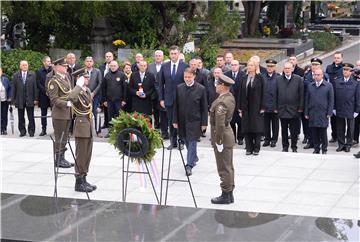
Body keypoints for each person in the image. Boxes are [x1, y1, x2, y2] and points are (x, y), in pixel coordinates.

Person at [173, 68, 208, 176]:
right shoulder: (179, 88)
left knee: (192, 142)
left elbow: (204, 107)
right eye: (185, 77)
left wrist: (204, 123)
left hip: (195, 121)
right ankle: (194, 157)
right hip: (182, 120)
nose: (187, 79)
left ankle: (189, 165)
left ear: (194, 77)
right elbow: (176, 106)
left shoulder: (201, 89)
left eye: (189, 77)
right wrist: (175, 120)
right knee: (186, 140)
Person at [68, 70, 96, 193]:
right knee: (81, 155)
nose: (87, 80)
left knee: (87, 154)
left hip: (88, 125)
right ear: (79, 78)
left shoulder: (87, 90)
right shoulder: (77, 91)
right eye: (85, 78)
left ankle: (84, 178)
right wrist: (78, 85)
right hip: (81, 125)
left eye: (88, 78)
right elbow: (71, 98)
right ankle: (78, 182)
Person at [210, 74, 236, 204]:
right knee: (228, 166)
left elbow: (219, 124)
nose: (216, 86)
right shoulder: (229, 97)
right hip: (227, 134)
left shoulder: (222, 102)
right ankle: (229, 194)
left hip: (222, 137)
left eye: (217, 84)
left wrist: (218, 141)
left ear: (222, 86)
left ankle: (226, 194)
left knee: (223, 167)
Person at [159, 45, 188, 150]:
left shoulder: (185, 66)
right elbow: (160, 84)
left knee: (181, 121)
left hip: (181, 99)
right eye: (171, 53)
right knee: (171, 121)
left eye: (175, 53)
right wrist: (161, 99)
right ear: (169, 54)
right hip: (169, 99)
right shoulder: (164, 66)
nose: (173, 55)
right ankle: (173, 142)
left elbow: (187, 83)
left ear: (179, 54)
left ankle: (182, 142)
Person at [47, 57, 74, 168]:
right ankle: (58, 160)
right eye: (64, 66)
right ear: (57, 67)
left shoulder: (66, 77)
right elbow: (54, 99)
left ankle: (62, 158)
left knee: (65, 137)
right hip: (59, 113)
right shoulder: (53, 81)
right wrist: (66, 104)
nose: (66, 67)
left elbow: (69, 92)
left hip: (67, 113)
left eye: (66, 66)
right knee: (59, 137)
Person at [275, 62, 304, 152]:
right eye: (285, 68)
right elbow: (275, 94)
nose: (287, 70)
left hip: (294, 110)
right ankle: (285, 147)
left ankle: (294, 146)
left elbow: (301, 94)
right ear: (283, 69)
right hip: (282, 109)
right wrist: (276, 107)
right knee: (284, 130)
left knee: (294, 130)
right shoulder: (278, 79)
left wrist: (300, 107)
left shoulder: (298, 79)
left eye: (289, 68)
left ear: (292, 69)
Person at [239, 60, 266, 155]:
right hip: (245, 107)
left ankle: (256, 148)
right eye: (248, 65)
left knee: (256, 128)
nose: (249, 67)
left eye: (251, 65)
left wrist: (263, 106)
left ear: (255, 67)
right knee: (247, 128)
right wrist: (240, 108)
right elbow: (240, 93)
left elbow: (264, 92)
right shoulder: (244, 78)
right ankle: (248, 148)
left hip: (257, 106)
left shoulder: (260, 78)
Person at [305, 69, 334, 154]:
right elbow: (307, 100)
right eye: (315, 75)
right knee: (314, 132)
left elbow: (331, 100)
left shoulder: (328, 86)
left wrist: (329, 112)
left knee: (323, 132)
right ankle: (316, 148)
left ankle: (324, 149)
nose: (316, 76)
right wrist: (306, 112)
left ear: (322, 75)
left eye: (318, 75)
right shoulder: (310, 85)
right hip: (312, 112)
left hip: (323, 113)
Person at [333, 63, 360, 152]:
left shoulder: (355, 83)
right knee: (340, 127)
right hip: (339, 108)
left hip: (350, 108)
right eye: (344, 69)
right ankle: (341, 144)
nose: (345, 71)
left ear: (351, 72)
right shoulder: (337, 81)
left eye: (347, 70)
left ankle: (348, 144)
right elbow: (334, 96)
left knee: (350, 128)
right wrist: (334, 108)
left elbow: (357, 97)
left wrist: (357, 110)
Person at [12, 60, 38, 137]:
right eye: (23, 65)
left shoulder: (32, 75)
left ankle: (31, 131)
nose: (24, 66)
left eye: (26, 65)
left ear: (28, 66)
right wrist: (13, 100)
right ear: (20, 66)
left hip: (29, 99)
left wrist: (36, 99)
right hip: (20, 99)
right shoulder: (16, 75)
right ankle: (22, 131)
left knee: (31, 116)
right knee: (21, 117)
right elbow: (14, 88)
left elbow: (35, 88)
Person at [102, 60, 127, 137]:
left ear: (117, 66)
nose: (113, 67)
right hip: (109, 101)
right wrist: (104, 100)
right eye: (111, 66)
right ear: (109, 66)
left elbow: (125, 88)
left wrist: (124, 100)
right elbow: (104, 88)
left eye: (114, 66)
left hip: (119, 101)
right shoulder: (107, 75)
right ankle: (110, 132)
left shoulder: (122, 75)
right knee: (110, 117)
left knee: (119, 117)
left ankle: (119, 132)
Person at [225, 60, 245, 145]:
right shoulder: (226, 75)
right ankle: (233, 138)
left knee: (240, 122)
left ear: (238, 66)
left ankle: (240, 138)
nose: (233, 66)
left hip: (240, 100)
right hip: (230, 101)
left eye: (235, 65)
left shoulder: (243, 75)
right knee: (231, 121)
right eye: (232, 65)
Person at [262, 59, 280, 147]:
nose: (270, 68)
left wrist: (277, 106)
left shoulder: (278, 77)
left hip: (275, 106)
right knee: (265, 124)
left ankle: (274, 140)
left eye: (271, 66)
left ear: (275, 67)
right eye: (268, 66)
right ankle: (267, 139)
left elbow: (280, 93)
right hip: (265, 105)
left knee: (275, 124)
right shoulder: (262, 77)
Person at [84, 56, 102, 132]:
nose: (89, 63)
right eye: (87, 61)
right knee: (86, 113)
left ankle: (97, 131)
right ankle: (87, 130)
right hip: (85, 96)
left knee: (95, 113)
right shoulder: (82, 71)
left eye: (90, 61)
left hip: (95, 95)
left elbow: (100, 83)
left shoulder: (97, 71)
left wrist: (93, 93)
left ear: (93, 62)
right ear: (85, 62)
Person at [147, 50, 164, 131]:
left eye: (159, 55)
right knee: (155, 109)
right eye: (156, 55)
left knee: (163, 109)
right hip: (153, 92)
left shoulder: (166, 65)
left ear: (162, 57)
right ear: (154, 57)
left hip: (163, 91)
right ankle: (157, 124)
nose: (158, 57)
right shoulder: (149, 66)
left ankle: (164, 125)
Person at [36, 56, 52, 136]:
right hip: (43, 95)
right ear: (44, 62)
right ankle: (43, 129)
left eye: (50, 61)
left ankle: (55, 129)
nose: (49, 63)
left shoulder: (53, 71)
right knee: (43, 114)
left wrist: (50, 91)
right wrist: (45, 91)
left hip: (52, 95)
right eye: (48, 61)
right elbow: (38, 84)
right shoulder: (39, 71)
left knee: (54, 113)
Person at [99, 52, 114, 130]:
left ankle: (112, 124)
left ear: (113, 57)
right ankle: (105, 123)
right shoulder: (102, 67)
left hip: (112, 90)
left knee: (112, 109)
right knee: (105, 107)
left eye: (110, 56)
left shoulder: (115, 65)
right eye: (107, 56)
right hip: (103, 89)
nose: (108, 58)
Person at [0, 68, 11, 135]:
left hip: (4, 100)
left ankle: (4, 129)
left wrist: (10, 97)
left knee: (4, 115)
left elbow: (9, 88)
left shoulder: (5, 79)